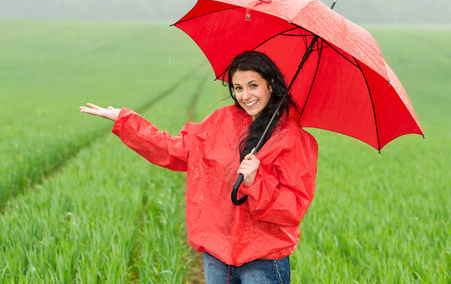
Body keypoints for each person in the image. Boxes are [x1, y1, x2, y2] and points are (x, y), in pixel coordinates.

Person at [79, 51, 318, 284]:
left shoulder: (293, 139)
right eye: (238, 88)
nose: (246, 95)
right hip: (217, 253)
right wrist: (126, 121)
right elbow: (174, 150)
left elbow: (293, 208)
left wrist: (255, 182)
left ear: (271, 85)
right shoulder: (221, 122)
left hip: (263, 259)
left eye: (253, 85)